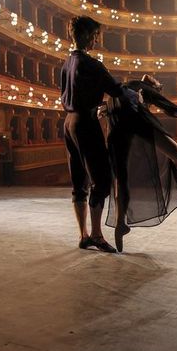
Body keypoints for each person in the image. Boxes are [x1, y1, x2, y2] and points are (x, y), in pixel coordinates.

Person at [103, 74, 177, 252]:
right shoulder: (146, 87)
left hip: (116, 127)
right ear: (154, 86)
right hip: (138, 121)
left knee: (121, 180)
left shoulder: (120, 90)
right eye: (160, 86)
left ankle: (120, 223)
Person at [60, 16, 140, 253]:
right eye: (95, 35)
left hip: (69, 123)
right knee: (102, 181)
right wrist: (139, 89)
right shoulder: (92, 65)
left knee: (78, 182)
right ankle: (96, 234)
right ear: (85, 35)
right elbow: (117, 90)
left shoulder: (66, 64)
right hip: (85, 122)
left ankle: (83, 235)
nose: (97, 40)